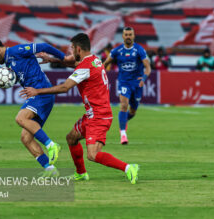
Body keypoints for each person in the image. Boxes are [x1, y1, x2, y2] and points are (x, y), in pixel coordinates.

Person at [20, 33, 139, 184]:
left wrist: (37, 91)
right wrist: (52, 60)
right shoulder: (94, 60)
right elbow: (75, 65)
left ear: (78, 49)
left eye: (71, 49)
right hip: (92, 115)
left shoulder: (86, 66)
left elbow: (64, 87)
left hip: (99, 116)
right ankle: (81, 173)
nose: (70, 53)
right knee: (71, 138)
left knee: (93, 155)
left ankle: (128, 167)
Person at [0, 37, 64, 176]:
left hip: (42, 91)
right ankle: (50, 170)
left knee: (20, 118)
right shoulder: (8, 61)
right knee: (26, 138)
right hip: (36, 95)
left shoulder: (17, 50)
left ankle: (51, 145)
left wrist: (63, 57)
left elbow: (44, 46)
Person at [103, 27, 151, 145]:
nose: (128, 36)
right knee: (123, 105)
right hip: (124, 82)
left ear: (134, 36)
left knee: (133, 111)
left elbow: (148, 67)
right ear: (123, 36)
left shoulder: (139, 50)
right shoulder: (116, 51)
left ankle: (124, 121)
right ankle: (123, 134)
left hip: (137, 83)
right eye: (126, 34)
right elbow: (104, 64)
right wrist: (98, 75)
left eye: (130, 34)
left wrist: (144, 78)